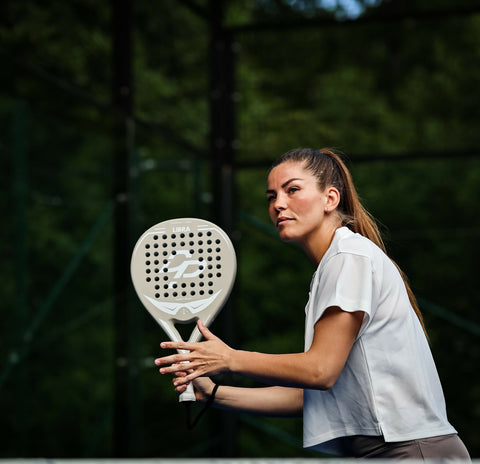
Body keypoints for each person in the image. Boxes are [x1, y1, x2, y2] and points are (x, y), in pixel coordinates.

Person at [155, 148, 471, 460]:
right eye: (271, 197)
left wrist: (230, 358)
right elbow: (313, 396)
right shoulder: (337, 263)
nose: (278, 204)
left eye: (292, 190)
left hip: (411, 451)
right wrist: (212, 392)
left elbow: (320, 371)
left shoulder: (348, 258)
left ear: (330, 199)